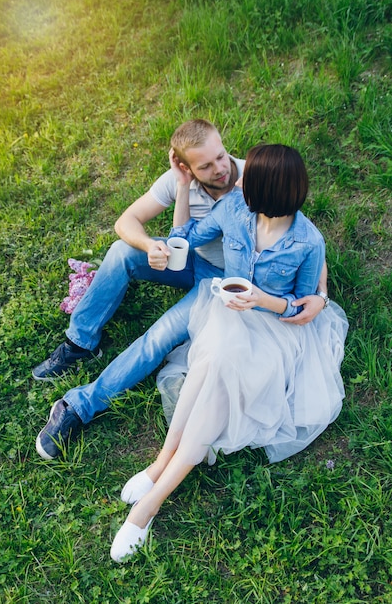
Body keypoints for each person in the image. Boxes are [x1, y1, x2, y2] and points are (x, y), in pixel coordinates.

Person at [110, 144, 348, 563]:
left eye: (246, 177)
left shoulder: (307, 241)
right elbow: (185, 237)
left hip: (277, 333)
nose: (235, 179)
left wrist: (264, 300)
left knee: (218, 375)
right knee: (212, 362)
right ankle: (161, 461)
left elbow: (302, 305)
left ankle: (153, 499)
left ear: (266, 189)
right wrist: (177, 207)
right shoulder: (235, 208)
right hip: (226, 315)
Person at [35, 122, 326, 460]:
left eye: (221, 157)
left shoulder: (261, 174)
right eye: (206, 166)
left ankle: (79, 404)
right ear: (187, 166)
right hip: (197, 265)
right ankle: (79, 346)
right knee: (123, 253)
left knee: (158, 338)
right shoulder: (228, 204)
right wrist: (180, 191)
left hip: (226, 288)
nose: (222, 170)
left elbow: (302, 240)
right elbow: (176, 236)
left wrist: (320, 296)